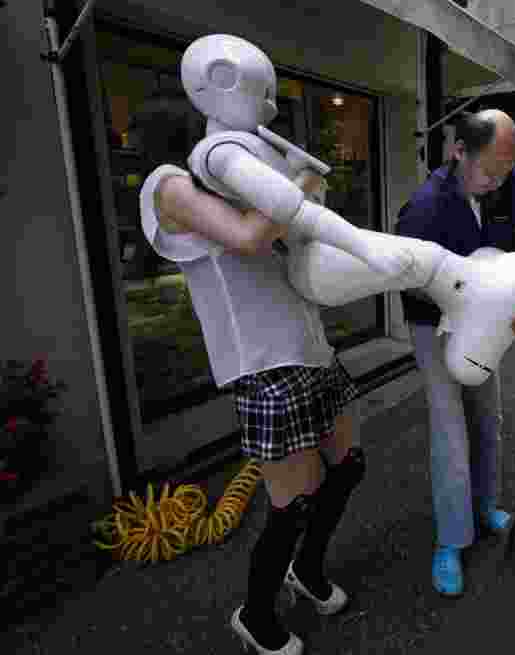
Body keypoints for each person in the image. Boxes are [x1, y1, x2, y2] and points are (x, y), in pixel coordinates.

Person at [136, 95, 365, 655]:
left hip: (310, 348)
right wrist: (302, 181)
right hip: (262, 363)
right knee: (294, 502)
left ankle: (305, 570)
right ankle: (256, 615)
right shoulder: (168, 184)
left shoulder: (246, 183)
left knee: (349, 468)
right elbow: (247, 238)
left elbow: (290, 238)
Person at [396, 109, 515, 597]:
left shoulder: (508, 176)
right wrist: (467, 305)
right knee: (450, 428)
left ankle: (485, 507)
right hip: (436, 324)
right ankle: (450, 540)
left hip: (490, 323)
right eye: (490, 172)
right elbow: (408, 282)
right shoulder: (425, 208)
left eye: (507, 171)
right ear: (458, 152)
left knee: (488, 416)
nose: (498, 182)